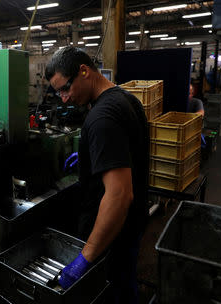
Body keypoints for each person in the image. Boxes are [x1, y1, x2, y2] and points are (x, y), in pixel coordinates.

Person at [45, 47, 149, 303]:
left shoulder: (102, 117)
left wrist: (86, 256)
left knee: (111, 293)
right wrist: (95, 155)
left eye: (65, 88)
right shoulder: (125, 99)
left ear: (84, 71)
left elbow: (119, 195)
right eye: (58, 92)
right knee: (126, 285)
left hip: (111, 236)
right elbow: (130, 150)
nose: (64, 99)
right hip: (132, 225)